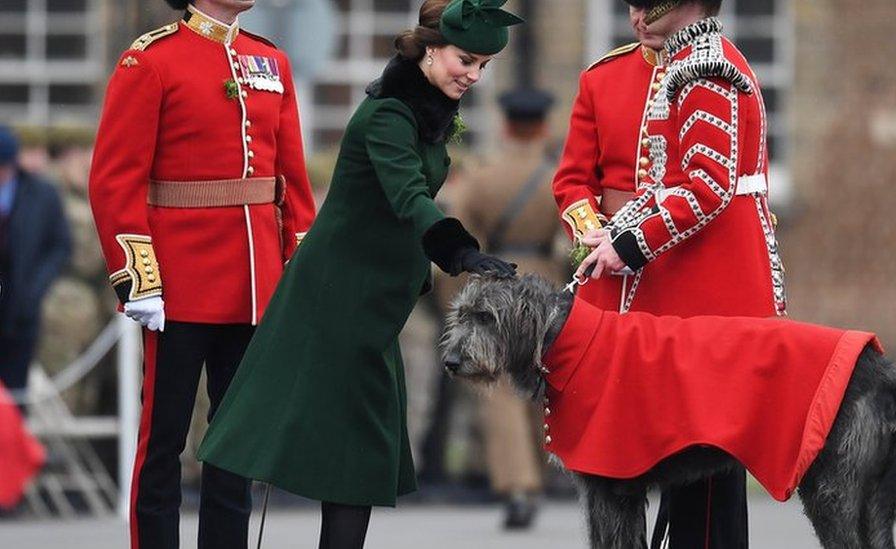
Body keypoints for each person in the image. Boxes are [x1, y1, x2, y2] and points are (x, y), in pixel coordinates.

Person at [197, 1, 522, 547]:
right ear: (430, 50)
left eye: (483, 66)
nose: (473, 74)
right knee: (316, 441)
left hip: (370, 301)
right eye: (466, 59)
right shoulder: (390, 115)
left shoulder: (424, 110)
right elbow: (407, 196)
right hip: (334, 300)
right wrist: (459, 252)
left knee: (355, 450)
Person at [553, 1, 786, 548]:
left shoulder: (708, 65)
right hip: (628, 269)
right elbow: (573, 180)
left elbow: (706, 185)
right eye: (632, 6)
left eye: (648, 5)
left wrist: (630, 239)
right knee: (620, 447)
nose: (636, 17)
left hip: (703, 272)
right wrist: (597, 230)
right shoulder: (607, 75)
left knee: (705, 449)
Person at [87, 0, 317, 547]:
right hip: (179, 281)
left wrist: (298, 270)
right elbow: (115, 180)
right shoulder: (151, 61)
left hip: (255, 281)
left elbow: (293, 182)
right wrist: (137, 274)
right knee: (163, 440)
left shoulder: (270, 61)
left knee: (235, 440)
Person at [443, 87, 564, 529]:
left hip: (494, 283)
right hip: (548, 286)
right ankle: (553, 470)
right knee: (544, 380)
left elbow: (459, 232)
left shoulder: (482, 177)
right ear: (544, 128)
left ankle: (517, 485)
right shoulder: (558, 176)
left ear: (505, 125)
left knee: (500, 392)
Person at [0, 126, 72, 400]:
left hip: (21, 307)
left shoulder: (42, 194)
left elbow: (60, 245)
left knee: (17, 393)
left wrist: (35, 289)